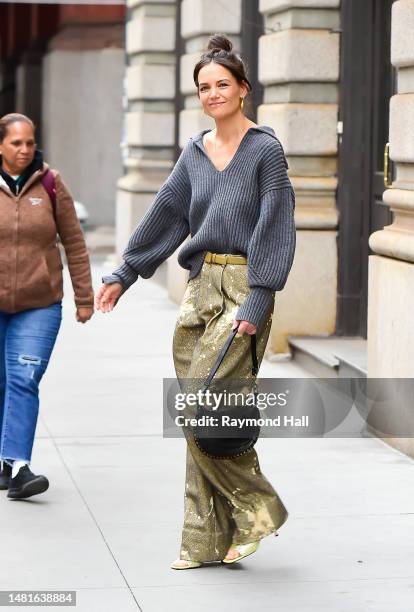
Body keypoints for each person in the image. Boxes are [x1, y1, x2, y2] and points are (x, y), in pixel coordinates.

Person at [96, 33, 296, 568]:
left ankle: (258, 508)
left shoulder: (266, 152)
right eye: (204, 87)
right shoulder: (195, 153)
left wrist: (258, 301)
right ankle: (205, 540)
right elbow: (166, 214)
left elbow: (275, 227)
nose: (212, 94)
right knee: (203, 414)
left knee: (203, 407)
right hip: (200, 288)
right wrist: (126, 272)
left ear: (243, 90)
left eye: (222, 85)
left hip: (244, 287)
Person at [0, 113, 94, 499]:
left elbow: (73, 242)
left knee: (23, 380)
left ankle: (19, 465)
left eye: (29, 142)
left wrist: (84, 297)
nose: (25, 150)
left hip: (40, 303)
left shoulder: (51, 184)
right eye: (16, 143)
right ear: (0, 145)